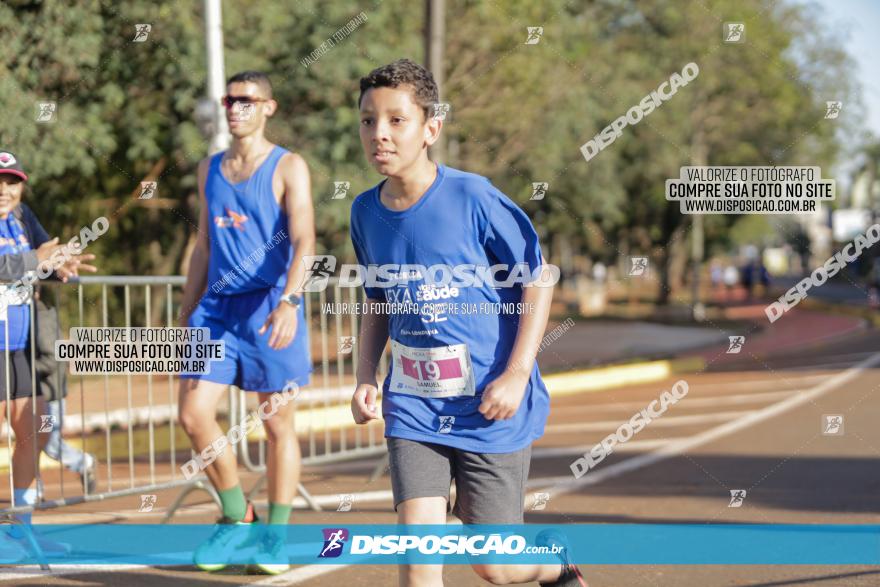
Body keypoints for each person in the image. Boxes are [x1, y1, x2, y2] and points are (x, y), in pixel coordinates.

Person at [349, 59, 586, 587]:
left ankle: (555, 564)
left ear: (431, 128)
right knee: (418, 558)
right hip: (413, 404)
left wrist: (518, 373)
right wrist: (366, 376)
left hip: (488, 404)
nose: (379, 134)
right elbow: (377, 299)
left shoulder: (472, 196)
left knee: (496, 566)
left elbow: (538, 278)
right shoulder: (365, 211)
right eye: (368, 121)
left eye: (395, 120)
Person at [177, 71, 315, 575]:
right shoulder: (208, 168)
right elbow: (204, 247)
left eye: (246, 100)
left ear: (268, 107)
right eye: (229, 100)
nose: (235, 108)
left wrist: (290, 302)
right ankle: (237, 516)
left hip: (269, 306)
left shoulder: (288, 166)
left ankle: (274, 537)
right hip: (216, 311)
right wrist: (186, 310)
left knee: (277, 424)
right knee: (194, 414)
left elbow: (305, 241)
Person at [0, 150, 96, 554]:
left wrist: (61, 265)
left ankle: (22, 530)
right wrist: (33, 260)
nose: (5, 190)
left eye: (12, 181)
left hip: (17, 341)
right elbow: (28, 260)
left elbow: (46, 256)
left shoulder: (23, 217)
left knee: (34, 428)